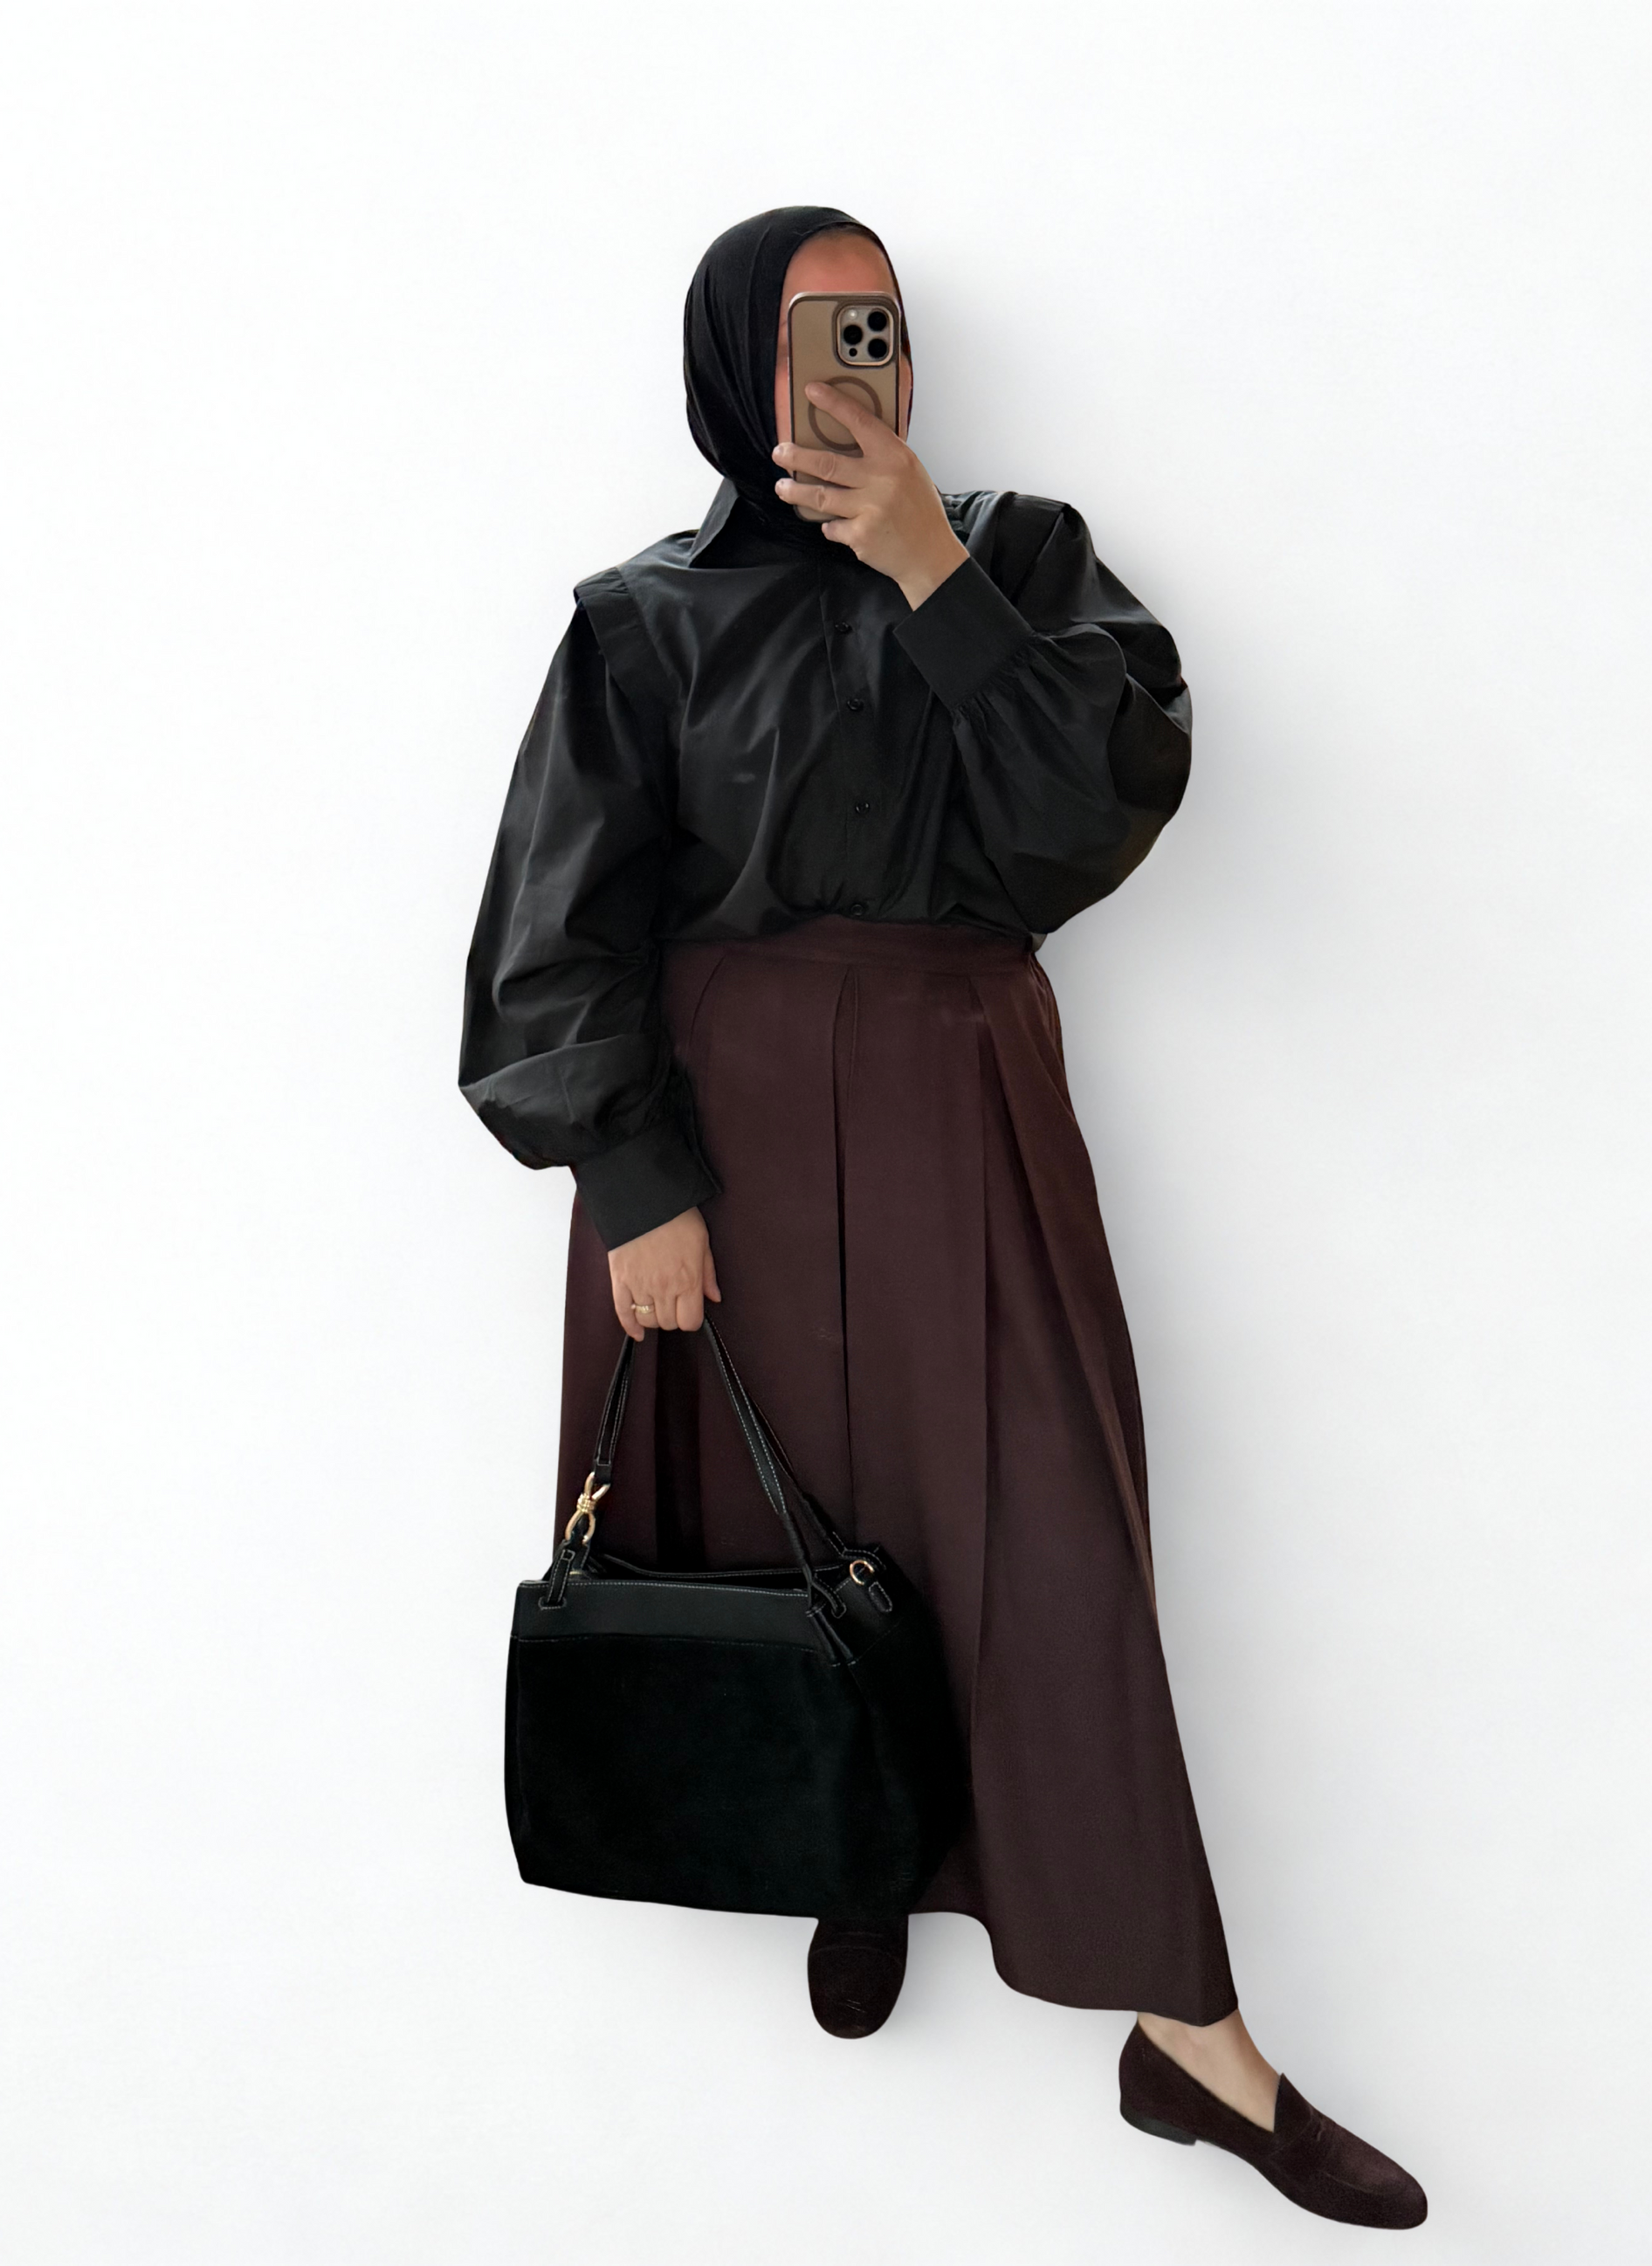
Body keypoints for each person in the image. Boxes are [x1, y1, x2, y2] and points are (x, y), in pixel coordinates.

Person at [460, 206, 1426, 2232]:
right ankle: (854, 1841)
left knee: (1048, 1542)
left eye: (881, 328)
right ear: (733, 359)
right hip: (716, 1142)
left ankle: (1189, 2039)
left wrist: (935, 576)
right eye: (814, 331)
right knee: (779, 1537)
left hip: (959, 1103)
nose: (859, 366)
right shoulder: (641, 621)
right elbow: (553, 934)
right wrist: (631, 1181)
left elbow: (1099, 811)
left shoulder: (1026, 560)